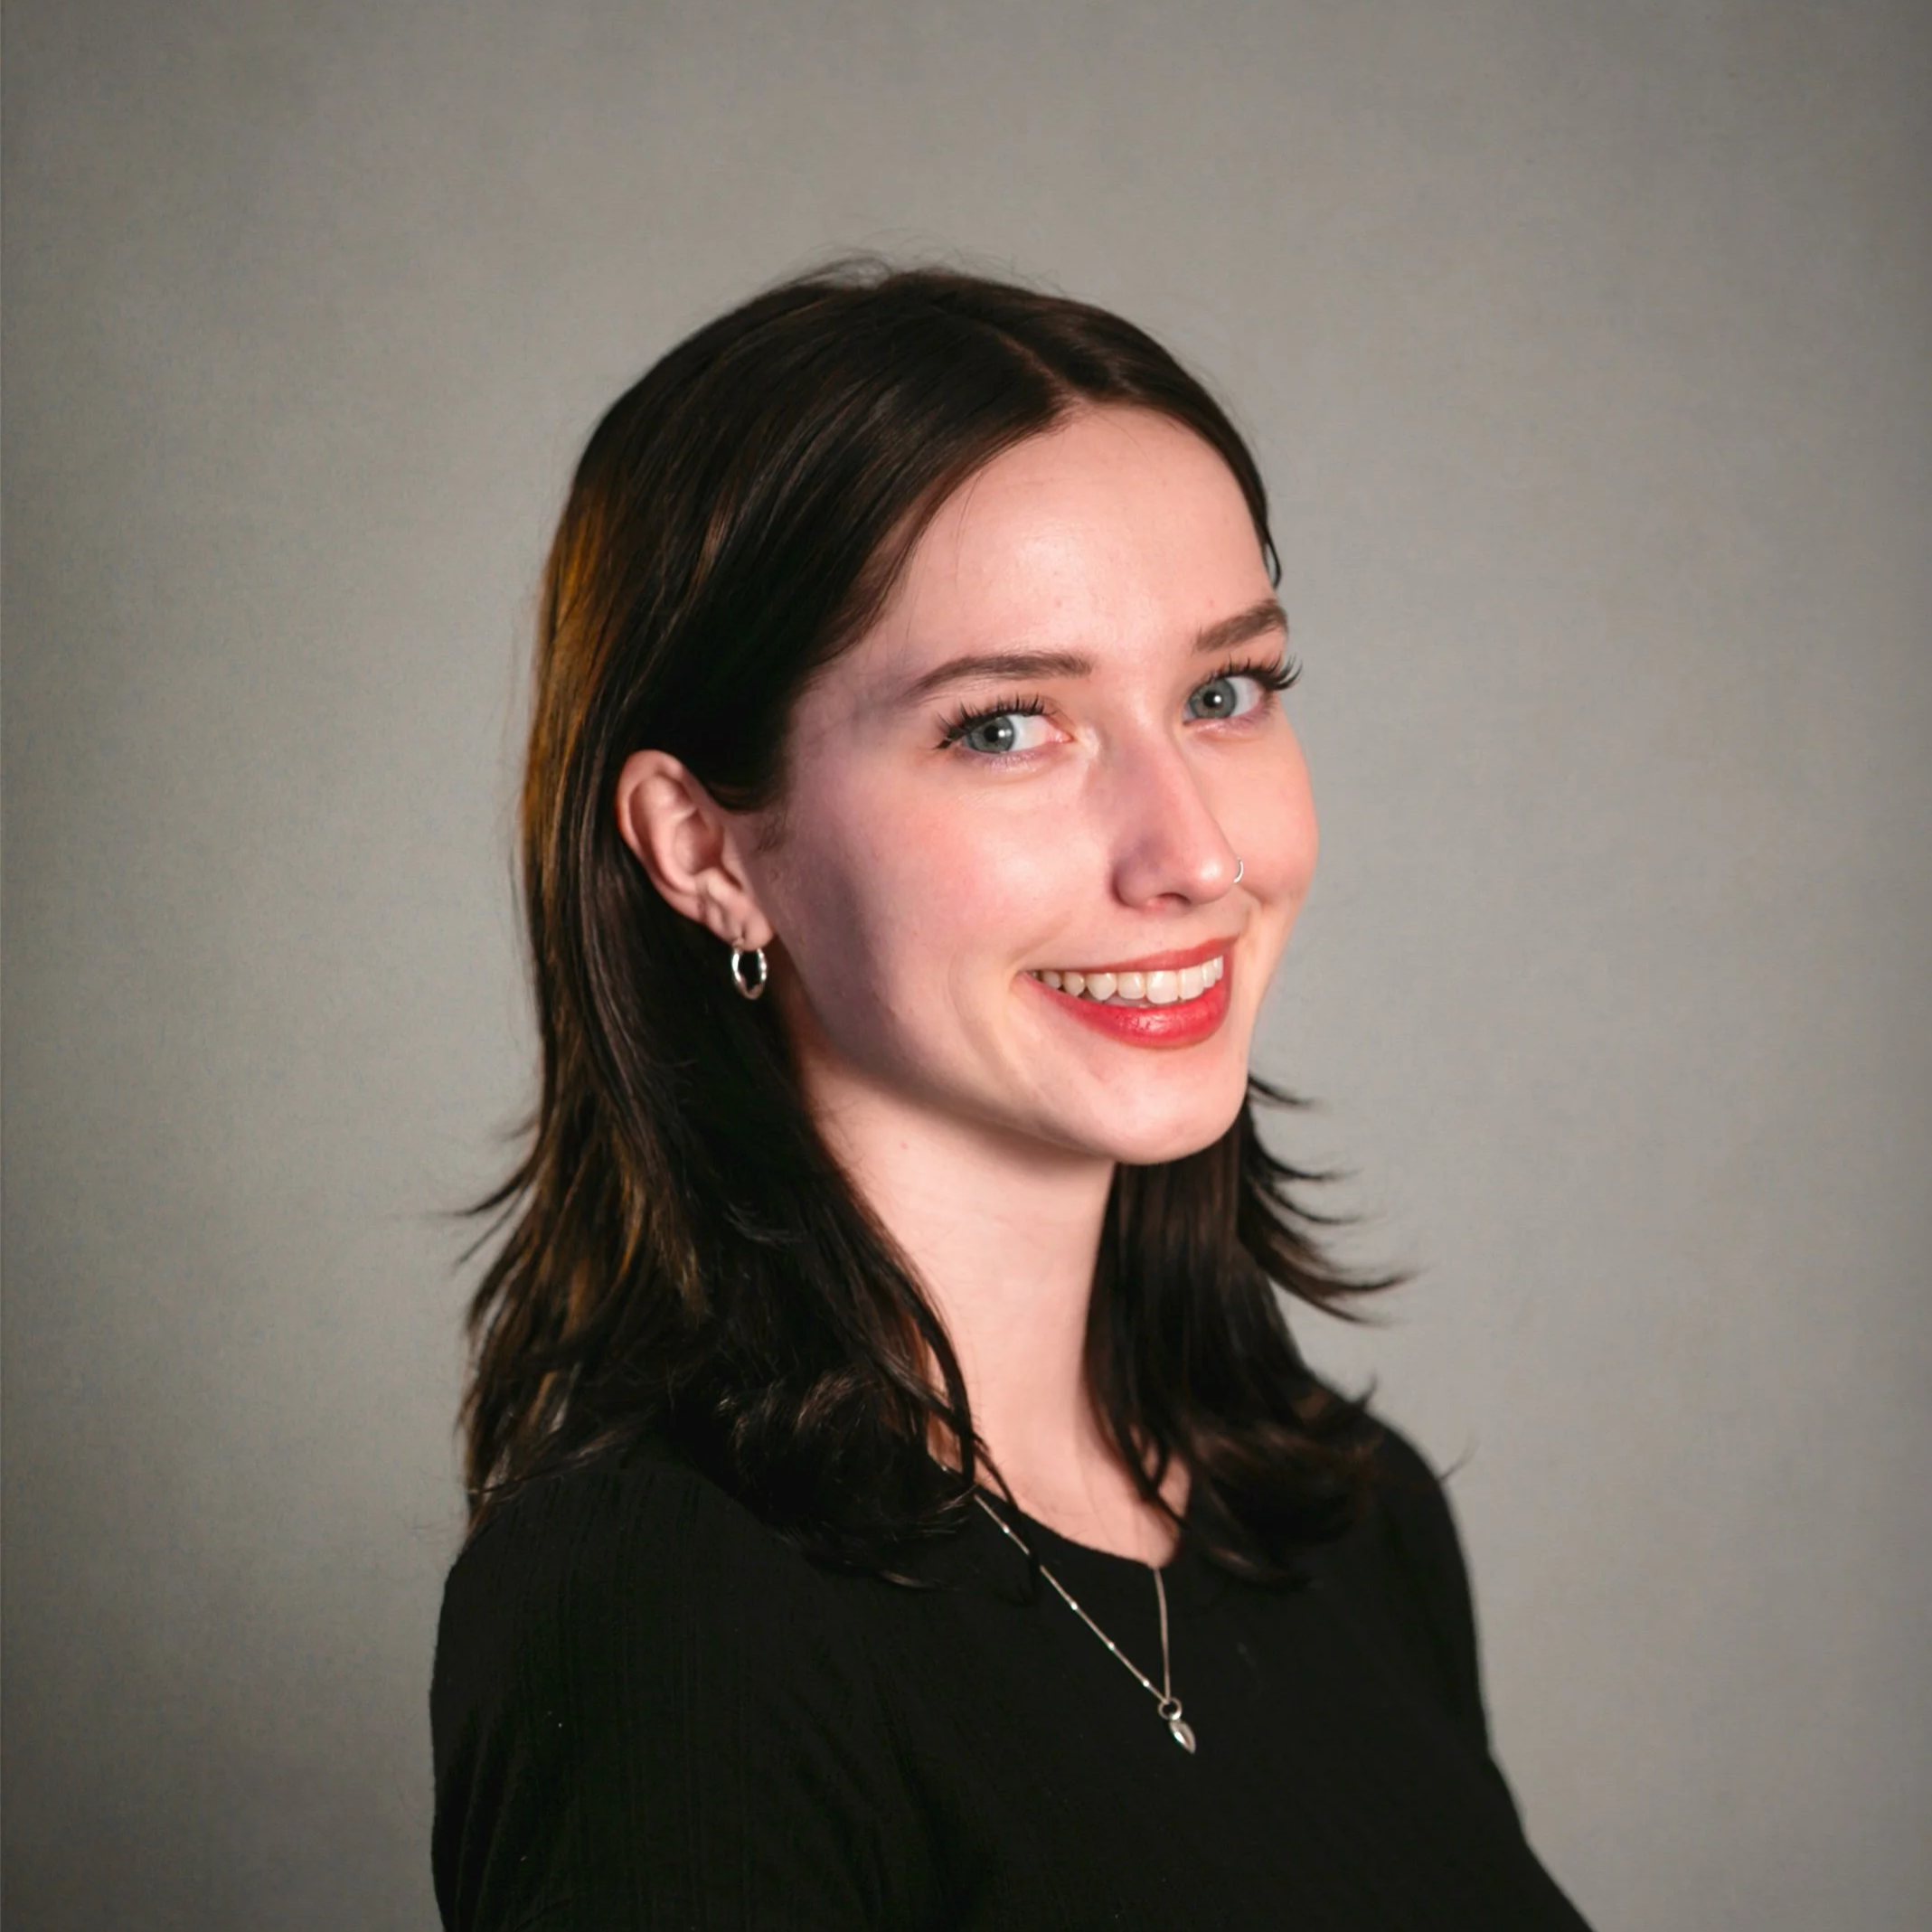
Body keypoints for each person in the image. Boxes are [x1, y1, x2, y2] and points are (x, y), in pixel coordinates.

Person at [430, 262, 1591, 1930]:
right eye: (1006, 728)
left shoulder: (1351, 1519)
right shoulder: (660, 1608)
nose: (1195, 855)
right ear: (706, 849)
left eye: (1223, 694)